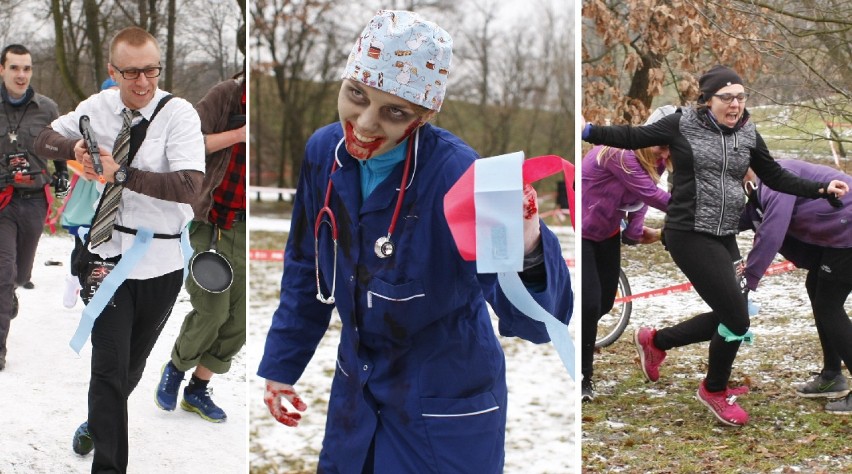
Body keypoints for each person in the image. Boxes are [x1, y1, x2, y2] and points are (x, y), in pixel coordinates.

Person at [258, 10, 572, 472]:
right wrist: (281, 366)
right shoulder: (323, 152)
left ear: (424, 114)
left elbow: (540, 324)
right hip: (357, 394)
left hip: (443, 404)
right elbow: (308, 268)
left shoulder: (458, 175)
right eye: (356, 95)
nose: (364, 124)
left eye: (395, 111)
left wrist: (526, 244)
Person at [581, 65, 849, 427]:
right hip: (688, 232)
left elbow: (776, 176)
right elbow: (632, 136)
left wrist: (820, 189)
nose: (735, 104)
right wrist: (587, 129)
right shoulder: (681, 124)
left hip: (722, 234)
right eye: (727, 97)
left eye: (741, 97)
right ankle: (714, 389)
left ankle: (658, 343)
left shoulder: (748, 133)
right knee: (736, 316)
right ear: (708, 100)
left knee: (737, 313)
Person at [34, 26, 204, 471]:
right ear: (113, 72)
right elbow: (41, 138)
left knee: (130, 369)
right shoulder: (97, 108)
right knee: (108, 370)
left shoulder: (179, 114)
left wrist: (120, 174)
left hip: (162, 264)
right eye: (131, 73)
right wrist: (74, 148)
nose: (142, 82)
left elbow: (191, 186)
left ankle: (98, 422)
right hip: (106, 256)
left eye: (150, 70)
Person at [155, 25, 246, 423]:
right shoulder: (226, 95)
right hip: (209, 221)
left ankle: (198, 389)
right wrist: (241, 134)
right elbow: (190, 142)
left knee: (238, 322)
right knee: (211, 311)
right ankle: (177, 367)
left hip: (245, 227)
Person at [740, 160, 852, 414]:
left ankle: (834, 375)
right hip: (839, 236)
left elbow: (772, 230)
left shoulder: (774, 180)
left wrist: (750, 276)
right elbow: (746, 217)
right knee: (817, 289)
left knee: (828, 304)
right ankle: (832, 375)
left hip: (849, 232)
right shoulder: (757, 189)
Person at [580, 106, 674, 402]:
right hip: (581, 231)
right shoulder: (620, 154)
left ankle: (577, 335)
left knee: (605, 302)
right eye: (662, 145)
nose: (666, 154)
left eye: (672, 148)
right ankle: (583, 378)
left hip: (606, 234)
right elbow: (651, 194)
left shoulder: (653, 160)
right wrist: (693, 211)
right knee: (589, 305)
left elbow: (638, 200)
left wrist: (637, 233)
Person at [0, 44, 60, 370]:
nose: (21, 75)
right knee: (3, 272)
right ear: (2, 69)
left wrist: (62, 173)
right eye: (14, 68)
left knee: (20, 274)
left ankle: (10, 292)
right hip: (2, 200)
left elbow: (62, 146)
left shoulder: (47, 108)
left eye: (26, 68)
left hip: (34, 199)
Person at [60, 77, 119, 309]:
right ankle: (74, 276)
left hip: (113, 192)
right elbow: (70, 150)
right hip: (88, 191)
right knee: (82, 239)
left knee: (107, 243)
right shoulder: (88, 123)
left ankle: (101, 285)